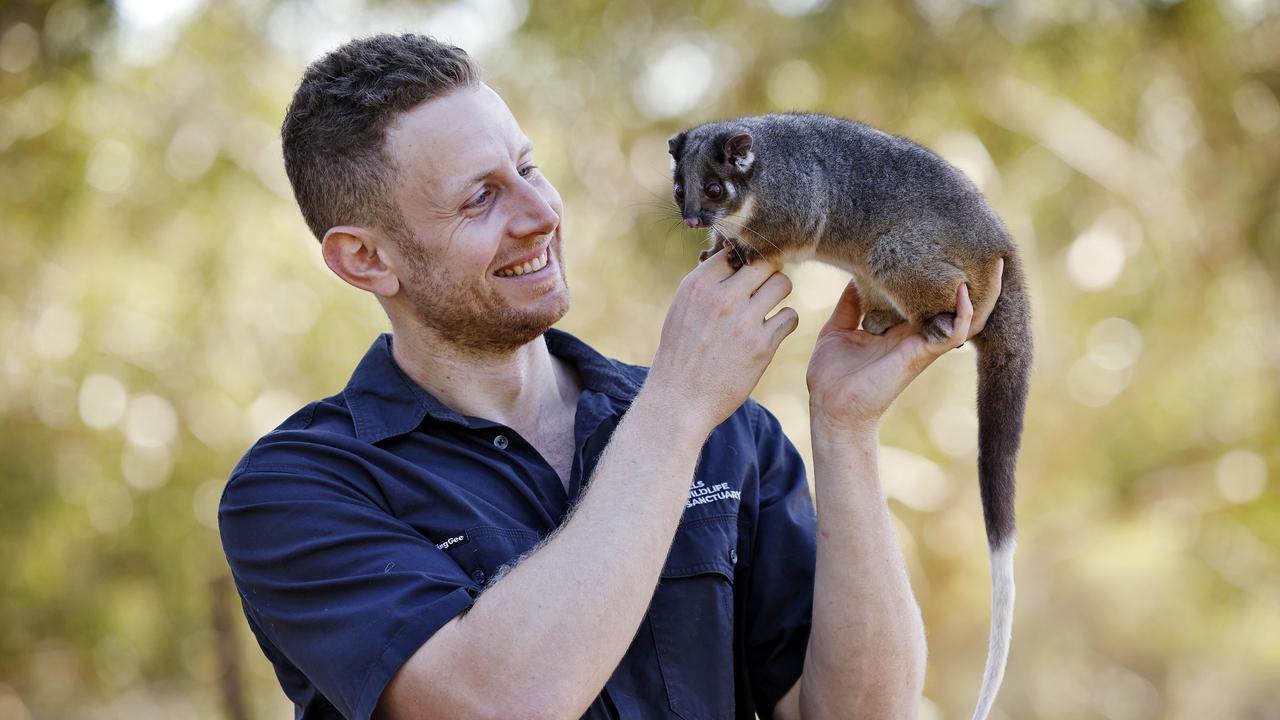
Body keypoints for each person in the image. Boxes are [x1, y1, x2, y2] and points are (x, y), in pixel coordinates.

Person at [218, 33, 1000, 720]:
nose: (541, 213)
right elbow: (497, 706)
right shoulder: (300, 489)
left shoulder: (732, 434)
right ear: (366, 258)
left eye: (528, 168)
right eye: (481, 197)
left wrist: (845, 427)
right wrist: (677, 406)